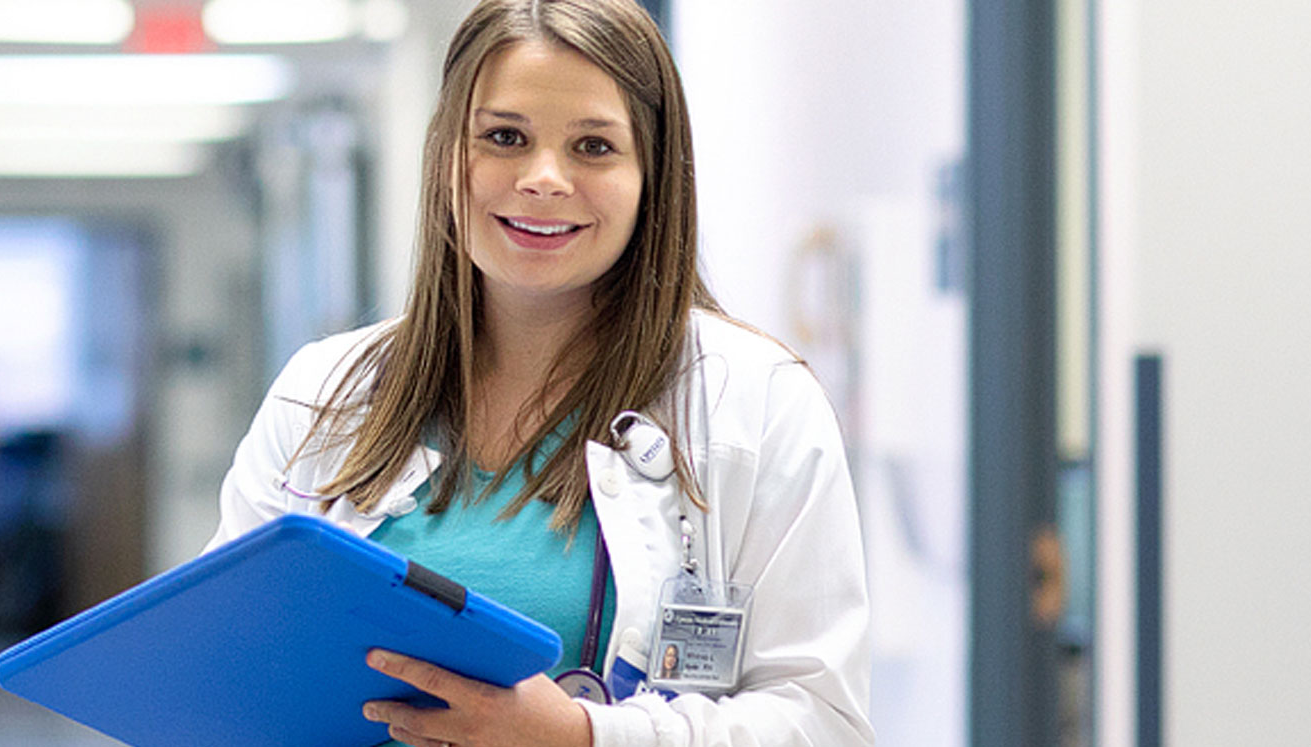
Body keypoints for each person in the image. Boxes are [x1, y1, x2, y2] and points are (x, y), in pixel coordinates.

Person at [201, 0, 871, 745]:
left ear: (653, 175)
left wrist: (586, 737)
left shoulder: (757, 404)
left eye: (593, 146)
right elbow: (227, 665)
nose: (543, 178)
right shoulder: (323, 394)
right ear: (447, 157)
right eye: (504, 137)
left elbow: (823, 722)